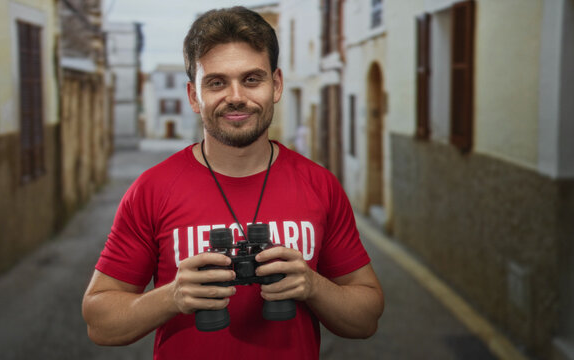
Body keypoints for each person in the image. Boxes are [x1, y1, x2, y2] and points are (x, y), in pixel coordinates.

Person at [82, 6, 383, 359]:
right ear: (194, 96)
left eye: (252, 79)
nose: (236, 96)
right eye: (217, 82)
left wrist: (313, 286)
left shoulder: (320, 185)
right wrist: (173, 296)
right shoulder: (152, 190)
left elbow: (366, 320)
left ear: (277, 85)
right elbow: (99, 323)